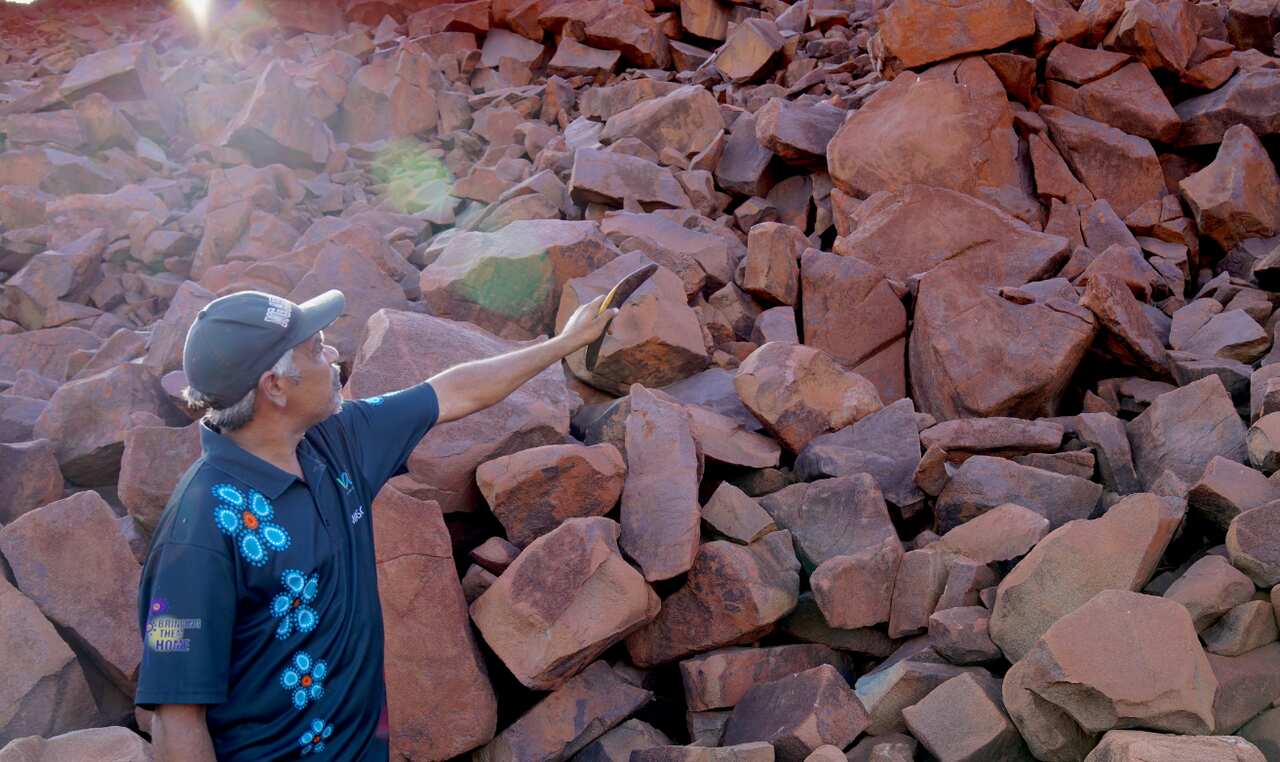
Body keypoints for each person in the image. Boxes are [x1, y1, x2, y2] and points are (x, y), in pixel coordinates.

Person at [135, 288, 616, 760]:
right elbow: (176, 718)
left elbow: (451, 392)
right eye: (314, 349)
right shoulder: (198, 533)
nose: (332, 353)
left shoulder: (333, 441)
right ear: (275, 387)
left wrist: (563, 344)